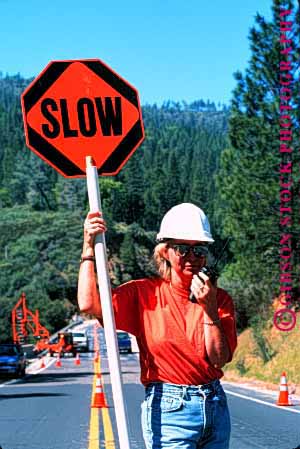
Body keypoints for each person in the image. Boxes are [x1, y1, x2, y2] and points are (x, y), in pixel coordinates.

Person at [78, 203, 237, 449]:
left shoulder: (219, 299)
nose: (192, 258)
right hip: (170, 409)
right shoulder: (143, 294)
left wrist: (209, 307)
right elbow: (89, 304)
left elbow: (218, 359)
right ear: (165, 252)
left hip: (215, 405)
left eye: (200, 250)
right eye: (183, 249)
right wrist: (89, 247)